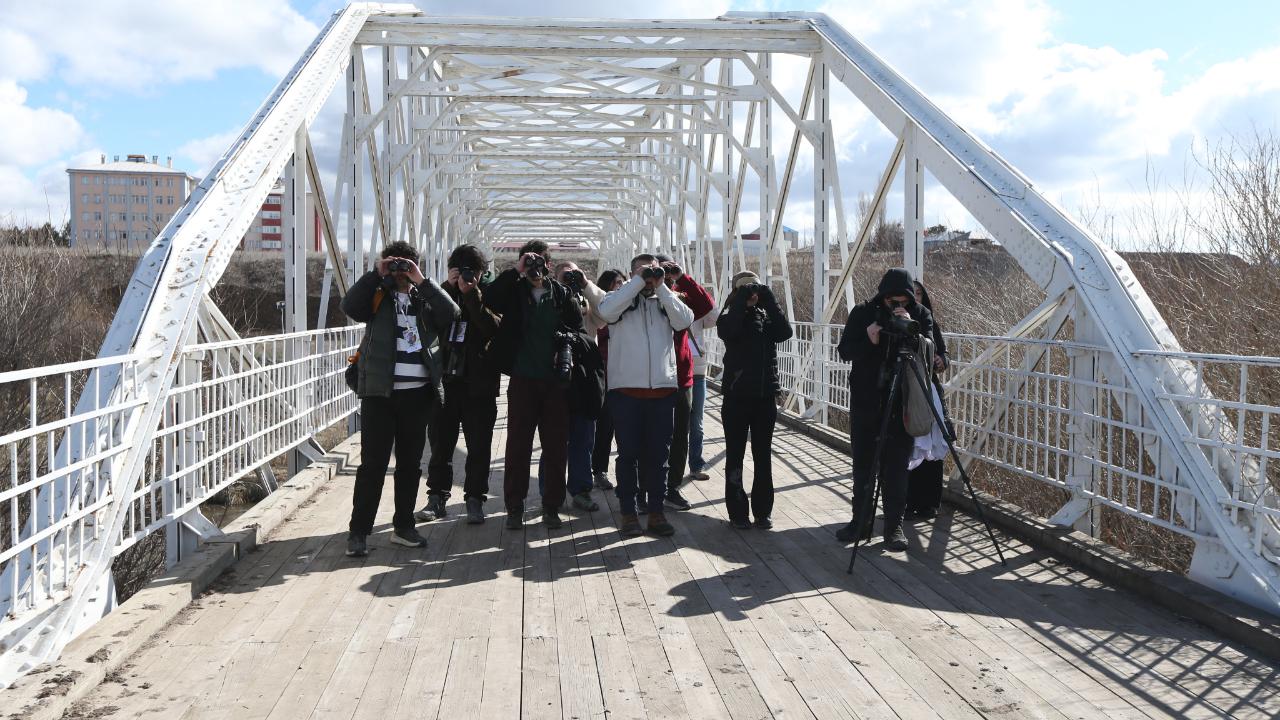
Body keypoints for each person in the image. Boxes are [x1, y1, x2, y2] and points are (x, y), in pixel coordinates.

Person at [342, 241, 459, 557]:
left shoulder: (425, 299)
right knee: (373, 466)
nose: (399, 271)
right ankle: (359, 533)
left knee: (409, 465)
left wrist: (422, 280)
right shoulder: (377, 296)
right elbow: (350, 307)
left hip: (418, 396)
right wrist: (374, 274)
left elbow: (452, 313)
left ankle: (404, 527)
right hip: (380, 394)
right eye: (394, 264)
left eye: (405, 265)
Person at [484, 240, 585, 530]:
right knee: (517, 446)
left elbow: (580, 333)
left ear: (549, 265)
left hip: (556, 382)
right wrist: (516, 271)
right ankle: (514, 507)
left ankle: (552, 505)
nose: (535, 268)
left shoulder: (563, 295)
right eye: (529, 263)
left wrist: (566, 344)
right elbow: (490, 300)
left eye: (540, 262)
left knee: (555, 447)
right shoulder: (513, 292)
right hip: (523, 378)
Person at [834, 268, 934, 552]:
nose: (899, 306)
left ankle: (894, 528)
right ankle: (860, 523)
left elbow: (931, 348)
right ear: (883, 297)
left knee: (896, 469)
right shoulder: (864, 312)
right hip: (867, 400)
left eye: (904, 301)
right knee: (863, 465)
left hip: (902, 401)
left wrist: (911, 329)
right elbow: (845, 351)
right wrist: (869, 339)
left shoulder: (920, 314)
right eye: (893, 302)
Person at [597, 254, 695, 537]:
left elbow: (684, 320)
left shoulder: (666, 300)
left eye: (654, 270)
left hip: (662, 391)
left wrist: (663, 287)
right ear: (632, 273)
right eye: (644, 271)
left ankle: (656, 512)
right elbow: (606, 313)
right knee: (628, 456)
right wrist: (636, 282)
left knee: (659, 457)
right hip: (625, 391)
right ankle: (628, 512)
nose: (650, 275)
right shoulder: (619, 298)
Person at [418, 244, 501, 525]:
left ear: (482, 272)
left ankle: (475, 499)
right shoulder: (441, 294)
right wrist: (447, 288)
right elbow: (426, 322)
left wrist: (472, 295)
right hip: (445, 384)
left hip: (480, 384)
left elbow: (493, 329)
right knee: (440, 444)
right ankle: (437, 497)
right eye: (461, 271)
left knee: (479, 446)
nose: (467, 276)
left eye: (472, 272)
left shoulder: (492, 293)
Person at [716, 271, 792, 529]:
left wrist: (769, 300)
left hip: (764, 396)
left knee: (763, 456)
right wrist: (741, 302)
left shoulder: (766, 315)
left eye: (755, 289)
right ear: (736, 293)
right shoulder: (729, 316)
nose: (753, 294)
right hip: (737, 397)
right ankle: (737, 513)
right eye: (746, 290)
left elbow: (785, 333)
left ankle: (763, 511)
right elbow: (730, 332)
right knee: (735, 455)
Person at [534, 261, 607, 513]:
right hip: (554, 376)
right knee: (553, 439)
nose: (570, 279)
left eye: (573, 274)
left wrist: (586, 285)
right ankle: (549, 491)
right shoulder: (550, 298)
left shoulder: (588, 301)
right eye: (565, 276)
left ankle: (581, 490)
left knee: (584, 438)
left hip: (584, 378)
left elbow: (608, 314)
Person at [652, 254, 715, 512]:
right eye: (659, 271)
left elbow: (706, 307)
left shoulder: (680, 296)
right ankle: (649, 486)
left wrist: (682, 278)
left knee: (680, 435)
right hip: (652, 376)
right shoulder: (642, 296)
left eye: (667, 270)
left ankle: (672, 487)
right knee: (653, 436)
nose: (664, 275)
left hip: (681, 375)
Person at [905, 279, 950, 520]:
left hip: (928, 389)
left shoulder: (929, 321)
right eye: (912, 294)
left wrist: (943, 360)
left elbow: (942, 352)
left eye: (920, 294)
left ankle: (930, 503)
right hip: (905, 391)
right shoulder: (895, 322)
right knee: (907, 445)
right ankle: (906, 501)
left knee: (931, 445)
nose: (916, 298)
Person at [590, 268, 626, 491]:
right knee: (604, 427)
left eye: (623, 282)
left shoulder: (631, 306)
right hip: (605, 373)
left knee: (624, 428)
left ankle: (626, 473)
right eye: (617, 283)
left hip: (626, 374)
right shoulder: (599, 308)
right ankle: (599, 470)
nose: (621, 287)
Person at [685, 282, 717, 482]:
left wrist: (693, 288)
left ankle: (696, 464)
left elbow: (714, 317)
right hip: (671, 374)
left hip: (697, 372)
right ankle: (670, 467)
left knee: (696, 424)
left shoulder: (695, 306)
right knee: (672, 425)